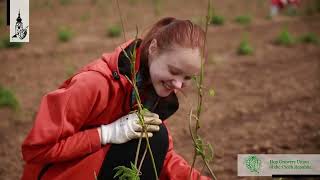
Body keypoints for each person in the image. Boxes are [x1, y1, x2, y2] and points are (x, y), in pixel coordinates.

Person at [21, 17, 211, 180]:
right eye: (174, 71)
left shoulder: (150, 88)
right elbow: (36, 149)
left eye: (187, 78)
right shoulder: (94, 83)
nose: (178, 85)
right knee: (153, 135)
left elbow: (162, 157)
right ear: (153, 48)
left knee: (154, 137)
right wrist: (106, 134)